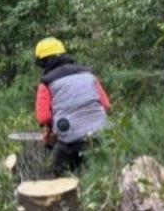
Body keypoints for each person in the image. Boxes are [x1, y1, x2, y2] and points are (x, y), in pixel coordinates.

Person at [34, 37, 111, 176]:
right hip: (101, 133)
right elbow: (105, 105)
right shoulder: (88, 74)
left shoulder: (46, 82)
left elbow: (43, 116)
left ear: (43, 62)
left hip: (69, 140)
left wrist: (50, 129)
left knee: (57, 173)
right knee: (102, 173)